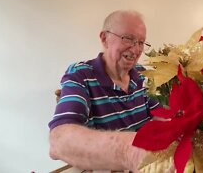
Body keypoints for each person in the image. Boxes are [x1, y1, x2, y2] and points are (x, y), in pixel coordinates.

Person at [48, 10, 161, 172]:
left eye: (141, 42)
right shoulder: (81, 74)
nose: (136, 49)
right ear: (104, 38)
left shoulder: (141, 74)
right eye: (128, 38)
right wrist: (129, 153)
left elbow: (161, 116)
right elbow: (59, 141)